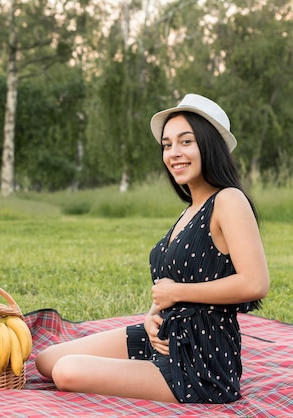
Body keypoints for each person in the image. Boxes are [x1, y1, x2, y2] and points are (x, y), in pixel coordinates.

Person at [34, 93, 270, 404]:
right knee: (46, 360)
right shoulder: (190, 210)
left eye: (186, 142)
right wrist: (152, 314)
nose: (174, 153)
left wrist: (177, 294)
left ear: (210, 145)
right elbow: (173, 283)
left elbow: (255, 283)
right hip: (162, 334)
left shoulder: (228, 200)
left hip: (201, 360)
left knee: (66, 371)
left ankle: (143, 375)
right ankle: (140, 372)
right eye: (167, 145)